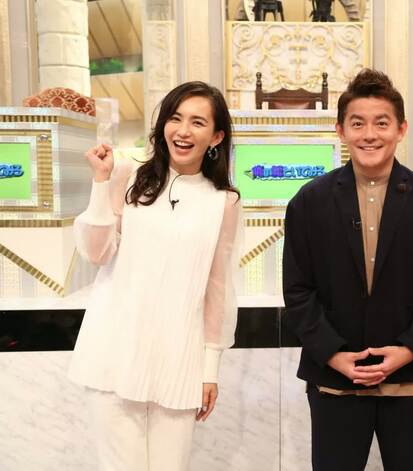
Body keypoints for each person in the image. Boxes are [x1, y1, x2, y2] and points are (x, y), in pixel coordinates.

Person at [283, 69, 413, 471]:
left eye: (381, 123)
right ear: (340, 130)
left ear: (401, 129)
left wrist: (408, 349)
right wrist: (333, 354)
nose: (370, 135)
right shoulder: (309, 203)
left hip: (410, 380)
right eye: (357, 123)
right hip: (335, 381)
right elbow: (297, 290)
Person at [68, 81, 241, 470]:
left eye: (198, 122)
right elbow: (96, 253)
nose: (183, 131)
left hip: (179, 358)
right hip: (115, 351)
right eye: (175, 118)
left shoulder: (223, 202)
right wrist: (100, 182)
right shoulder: (126, 175)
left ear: (216, 137)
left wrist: (209, 370)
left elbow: (217, 289)